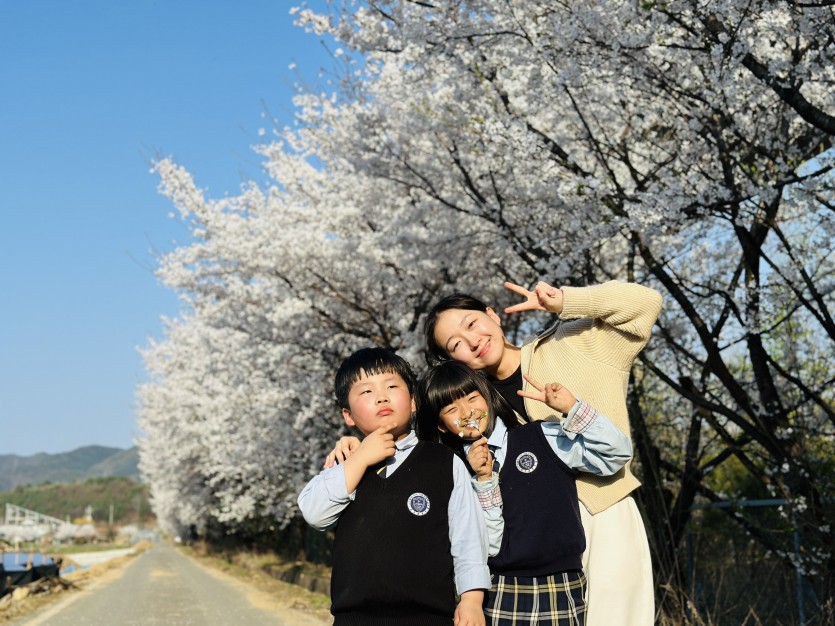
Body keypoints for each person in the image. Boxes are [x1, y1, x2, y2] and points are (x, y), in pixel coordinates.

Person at [424, 280, 662, 626]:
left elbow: (646, 304)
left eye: (472, 323)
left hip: (604, 509)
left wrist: (567, 300)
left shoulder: (571, 342)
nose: (472, 341)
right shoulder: (473, 404)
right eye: (455, 344)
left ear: (493, 315)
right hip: (532, 540)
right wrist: (354, 444)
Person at [415, 360, 632, 625]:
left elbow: (616, 454)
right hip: (500, 588)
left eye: (473, 397)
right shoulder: (455, 472)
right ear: (441, 425)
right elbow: (489, 547)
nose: (468, 411)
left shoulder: (543, 437)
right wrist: (483, 480)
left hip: (562, 583)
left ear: (487, 396)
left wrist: (574, 409)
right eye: (451, 408)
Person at [297, 347, 490, 626]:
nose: (381, 396)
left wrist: (472, 600)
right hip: (355, 618)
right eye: (366, 392)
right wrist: (361, 458)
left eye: (391, 386)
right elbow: (315, 513)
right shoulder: (347, 465)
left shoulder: (443, 462)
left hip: (429, 617)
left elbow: (468, 537)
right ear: (348, 415)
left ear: (413, 402)